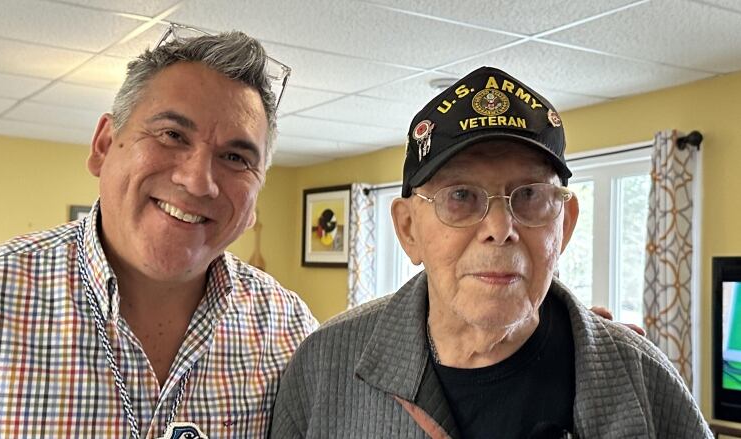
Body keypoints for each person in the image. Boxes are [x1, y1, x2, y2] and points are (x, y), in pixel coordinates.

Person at [270, 66, 712, 438]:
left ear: (566, 223)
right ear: (408, 229)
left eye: (530, 196)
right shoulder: (325, 365)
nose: (501, 229)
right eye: (460, 196)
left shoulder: (638, 374)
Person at [0, 27, 317, 438]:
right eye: (172, 135)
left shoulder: (290, 334)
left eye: (235, 157)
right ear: (104, 145)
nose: (198, 181)